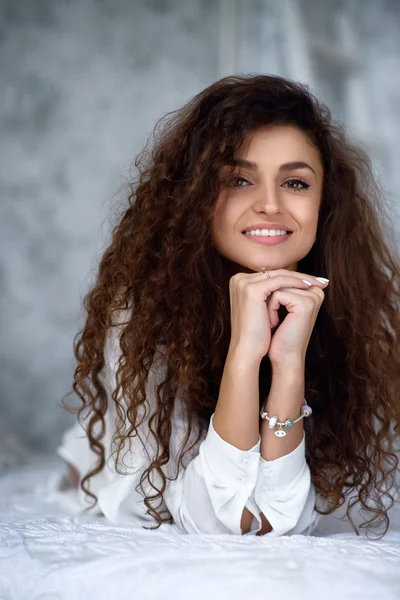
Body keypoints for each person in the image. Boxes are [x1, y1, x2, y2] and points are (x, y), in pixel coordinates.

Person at [53, 74, 400, 538]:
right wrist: (244, 353)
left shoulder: (356, 312)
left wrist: (288, 361)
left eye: (295, 183)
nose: (270, 205)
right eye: (238, 180)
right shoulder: (143, 313)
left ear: (325, 203)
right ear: (197, 197)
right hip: (101, 464)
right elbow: (222, 521)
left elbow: (281, 518)